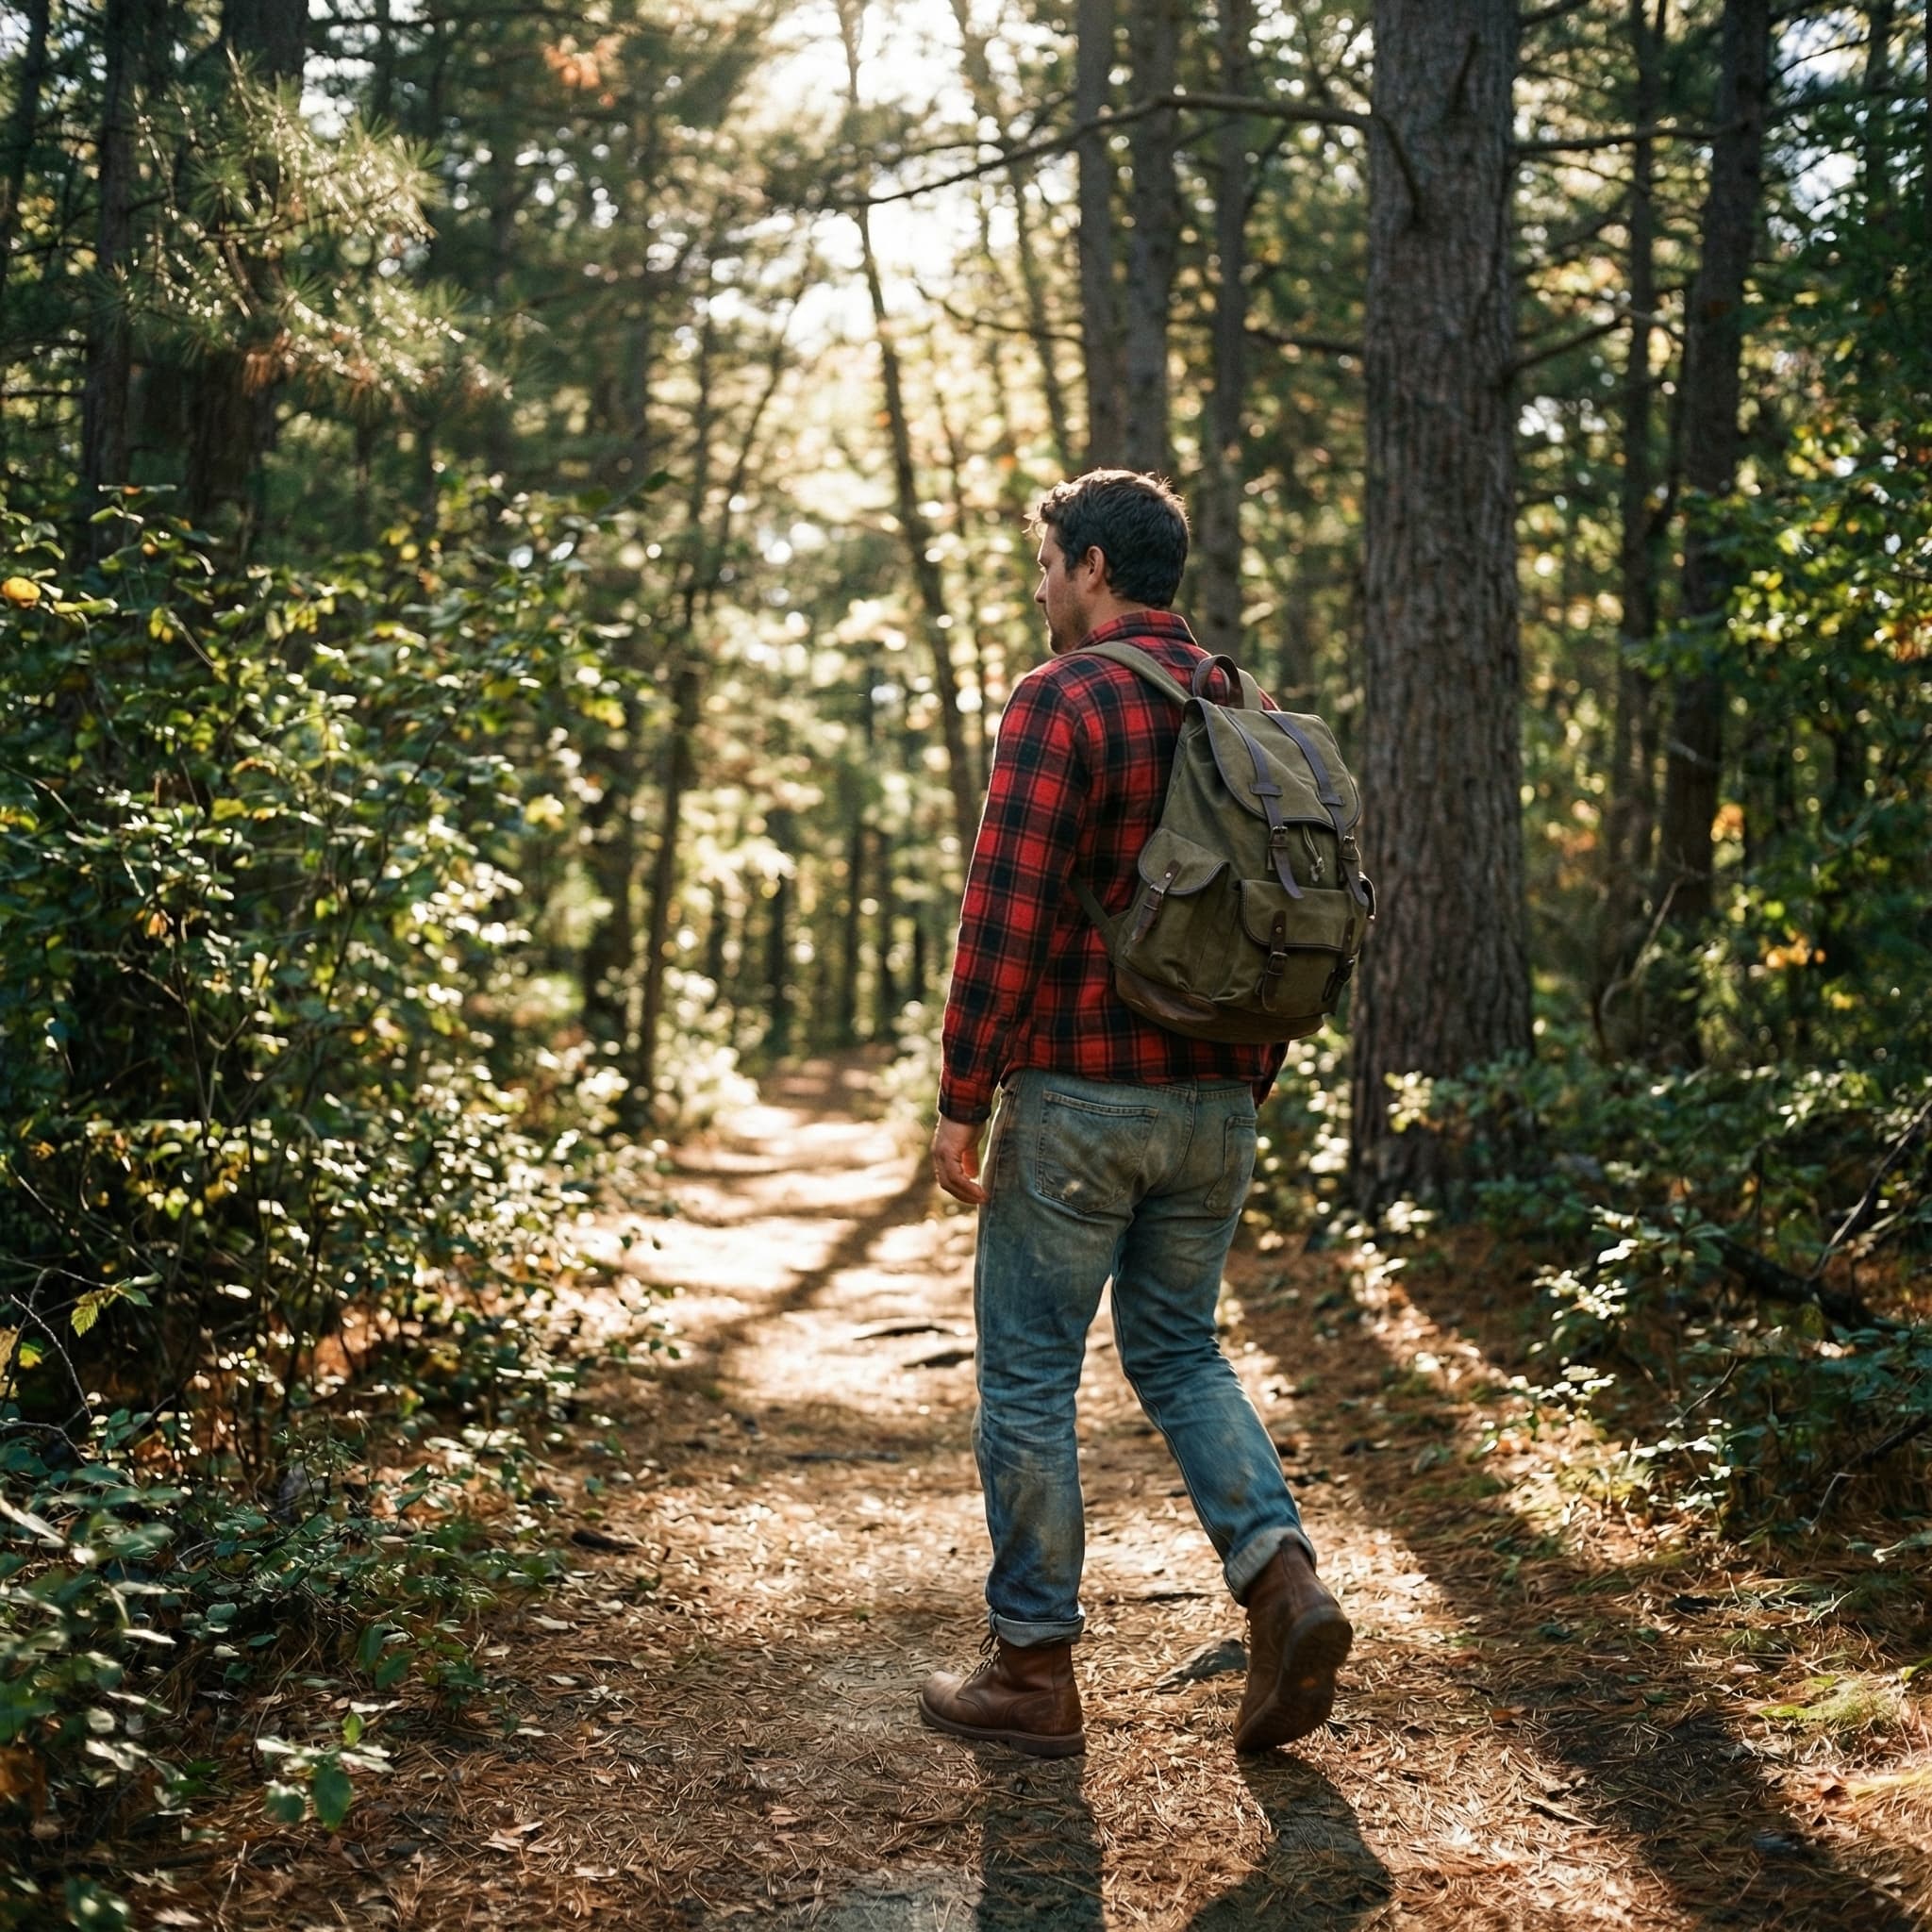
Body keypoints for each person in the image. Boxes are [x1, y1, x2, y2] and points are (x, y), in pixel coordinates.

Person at [919, 469, 1351, 1759]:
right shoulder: (1245, 705)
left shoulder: (1061, 702)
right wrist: (1246, 1077)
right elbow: (1291, 910)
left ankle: (1033, 1674)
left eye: (1049, 564)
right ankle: (1283, 1583)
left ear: (1095, 566)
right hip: (1217, 1099)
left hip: (1080, 1107)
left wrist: (960, 1099)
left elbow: (1005, 910)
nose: (1042, 587)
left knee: (1033, 1374)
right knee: (1179, 1353)